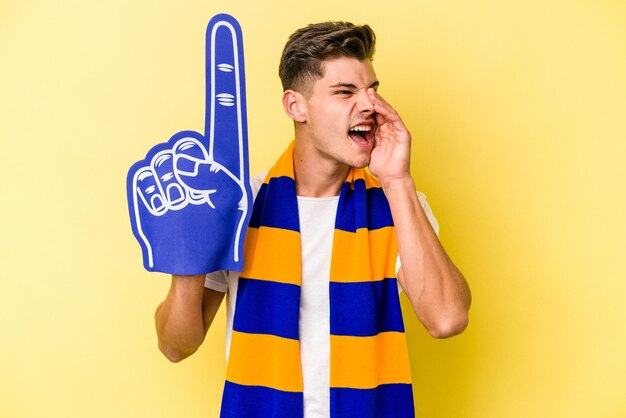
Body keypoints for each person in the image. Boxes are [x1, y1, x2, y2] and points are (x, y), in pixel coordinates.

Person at [154, 21, 471, 418]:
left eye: (372, 89)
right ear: (295, 106)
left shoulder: (399, 204)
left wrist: (397, 179)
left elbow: (447, 319)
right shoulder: (241, 206)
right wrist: (189, 252)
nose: (370, 104)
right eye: (345, 92)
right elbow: (175, 345)